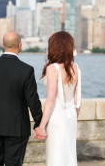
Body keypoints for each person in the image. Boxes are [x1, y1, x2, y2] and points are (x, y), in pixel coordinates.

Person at [0, 31, 43, 166]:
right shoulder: (26, 70)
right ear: (20, 45)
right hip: (16, 128)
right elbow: (33, 100)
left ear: (3, 44)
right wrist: (39, 123)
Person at [34, 31, 81, 166]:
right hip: (71, 115)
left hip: (57, 116)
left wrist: (42, 126)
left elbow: (50, 100)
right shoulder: (75, 67)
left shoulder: (52, 68)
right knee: (69, 153)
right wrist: (73, 116)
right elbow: (78, 100)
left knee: (56, 155)